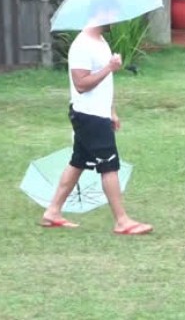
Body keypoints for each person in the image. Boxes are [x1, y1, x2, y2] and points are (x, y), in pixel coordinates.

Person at [39, 15, 153, 235]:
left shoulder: (100, 41)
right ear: (98, 16)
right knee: (109, 166)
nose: (114, 20)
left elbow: (104, 85)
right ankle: (122, 221)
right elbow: (81, 84)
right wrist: (109, 68)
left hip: (99, 114)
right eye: (110, 15)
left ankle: (52, 212)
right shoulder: (81, 46)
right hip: (88, 116)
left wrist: (111, 111)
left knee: (78, 162)